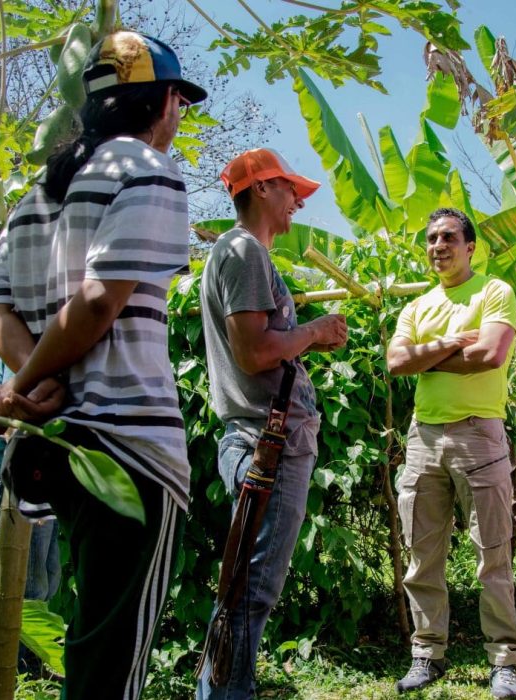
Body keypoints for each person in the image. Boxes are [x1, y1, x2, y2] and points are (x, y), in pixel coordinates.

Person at [0, 30, 205, 699]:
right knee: (110, 661)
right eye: (180, 102)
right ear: (166, 101)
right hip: (128, 450)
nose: (180, 116)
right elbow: (98, 302)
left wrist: (24, 385)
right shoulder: (147, 170)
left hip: (54, 448)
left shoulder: (36, 193)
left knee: (87, 638)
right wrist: (35, 380)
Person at [197, 148, 347, 699]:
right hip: (268, 441)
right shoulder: (242, 251)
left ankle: (221, 690)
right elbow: (255, 351)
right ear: (260, 189)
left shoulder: (242, 255)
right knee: (252, 587)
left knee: (244, 583)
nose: (298, 204)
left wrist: (308, 336)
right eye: (290, 190)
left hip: (270, 439)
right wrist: (312, 331)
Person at [386, 208, 516, 699]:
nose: (438, 246)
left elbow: (489, 355)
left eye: (448, 237)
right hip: (423, 438)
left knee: (493, 553)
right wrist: (450, 345)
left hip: (478, 435)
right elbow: (396, 362)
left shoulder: (494, 292)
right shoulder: (416, 306)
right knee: (422, 556)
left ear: (471, 247)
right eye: (431, 239)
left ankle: (504, 660)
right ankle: (427, 654)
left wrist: (427, 356)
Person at [0, 359, 62, 679]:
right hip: (13, 481)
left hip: (38, 483)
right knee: (31, 585)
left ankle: (34, 664)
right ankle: (25, 673)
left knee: (49, 578)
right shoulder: (22, 361)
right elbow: (16, 414)